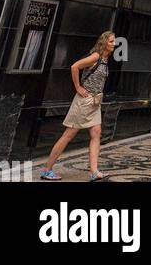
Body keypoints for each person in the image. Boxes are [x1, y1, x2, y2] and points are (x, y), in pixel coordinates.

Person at [39, 31, 115, 181]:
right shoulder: (95, 57)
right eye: (112, 41)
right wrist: (78, 87)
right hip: (84, 102)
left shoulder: (106, 59)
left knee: (96, 133)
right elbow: (75, 67)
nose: (114, 44)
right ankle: (47, 170)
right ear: (104, 42)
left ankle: (94, 171)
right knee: (68, 135)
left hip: (95, 102)